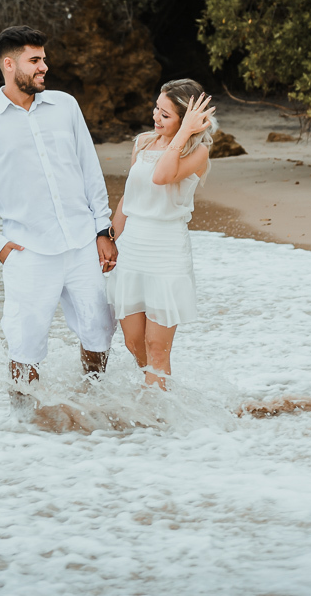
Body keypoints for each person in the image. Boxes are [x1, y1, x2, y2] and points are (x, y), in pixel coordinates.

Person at [0, 26, 118, 399]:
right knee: (25, 344)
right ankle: (23, 424)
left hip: (83, 243)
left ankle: (94, 403)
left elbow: (90, 170)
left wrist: (103, 231)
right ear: (9, 64)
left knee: (100, 330)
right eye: (35, 60)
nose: (44, 66)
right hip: (27, 251)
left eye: (43, 59)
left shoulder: (66, 106)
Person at [107, 79, 215, 389]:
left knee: (157, 348)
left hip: (166, 252)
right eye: (156, 108)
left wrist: (182, 134)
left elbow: (162, 175)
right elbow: (129, 198)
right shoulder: (143, 142)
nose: (156, 117)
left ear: (186, 120)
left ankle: (156, 408)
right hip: (132, 248)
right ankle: (159, 393)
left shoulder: (198, 151)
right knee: (133, 342)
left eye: (165, 115)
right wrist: (110, 241)